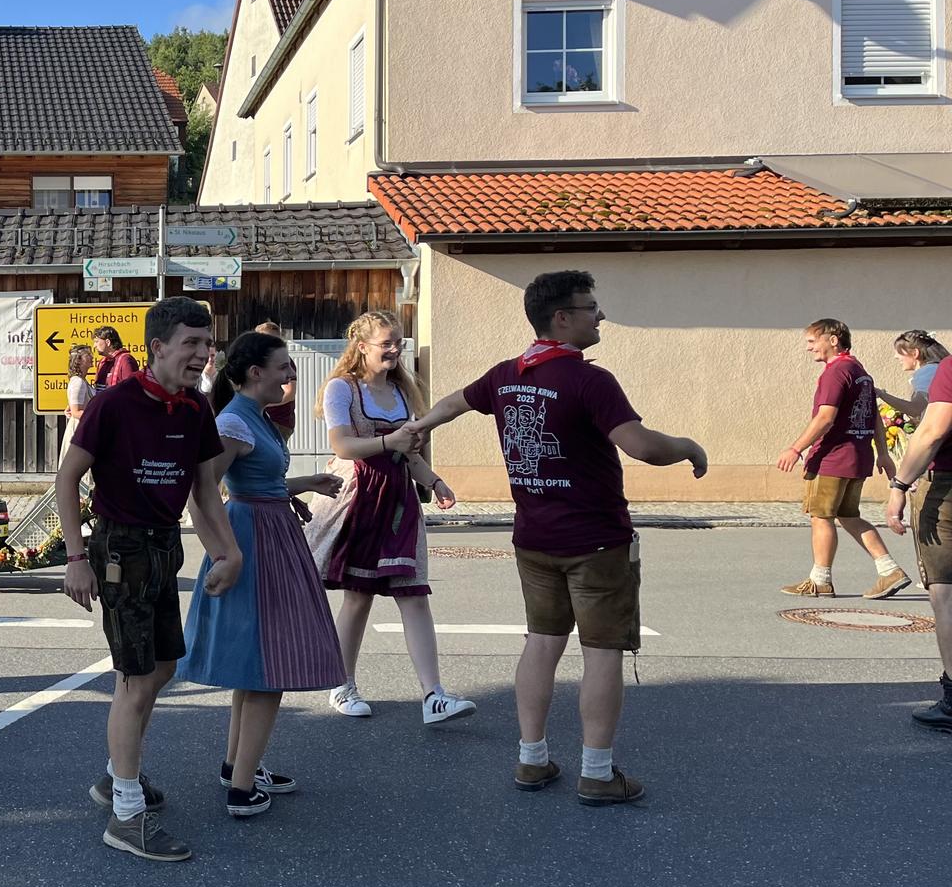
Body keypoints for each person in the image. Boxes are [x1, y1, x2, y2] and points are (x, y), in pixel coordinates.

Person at [402, 270, 708, 806]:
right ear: (562, 318)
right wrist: (686, 445)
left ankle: (532, 759)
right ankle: (597, 771)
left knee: (542, 643)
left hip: (534, 537)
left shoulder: (507, 374)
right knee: (602, 651)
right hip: (596, 540)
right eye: (591, 307)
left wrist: (419, 427)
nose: (601, 315)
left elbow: (454, 401)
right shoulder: (591, 380)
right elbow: (639, 446)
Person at [59, 296, 242, 863]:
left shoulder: (194, 410)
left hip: (164, 547)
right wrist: (75, 557)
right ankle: (126, 814)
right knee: (137, 677)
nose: (202, 354)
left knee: (161, 667)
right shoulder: (113, 403)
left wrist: (226, 553)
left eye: (206, 344)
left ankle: (118, 777)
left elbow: (204, 490)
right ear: (157, 347)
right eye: (191, 344)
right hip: (120, 547)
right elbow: (67, 479)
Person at [177, 330, 345, 819]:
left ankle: (238, 767)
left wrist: (302, 483)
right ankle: (242, 789)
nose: (291, 375)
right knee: (269, 663)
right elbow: (203, 486)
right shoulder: (234, 421)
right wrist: (224, 551)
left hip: (268, 532)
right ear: (256, 373)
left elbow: (256, 479)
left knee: (257, 661)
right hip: (253, 540)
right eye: (283, 366)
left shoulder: (252, 417)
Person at [309, 310, 473, 726]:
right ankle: (342, 685)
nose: (395, 350)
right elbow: (343, 446)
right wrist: (389, 440)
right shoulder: (341, 389)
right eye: (386, 343)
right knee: (359, 596)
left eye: (398, 342)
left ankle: (433, 695)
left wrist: (434, 482)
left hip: (398, 499)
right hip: (360, 497)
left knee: (414, 592)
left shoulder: (403, 391)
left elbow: (408, 452)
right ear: (361, 347)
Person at [777, 319, 903, 599]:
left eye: (812, 341)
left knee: (821, 517)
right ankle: (889, 570)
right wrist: (882, 453)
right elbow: (875, 418)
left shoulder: (835, 372)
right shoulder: (861, 372)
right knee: (848, 516)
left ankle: (820, 580)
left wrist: (796, 448)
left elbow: (825, 417)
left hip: (832, 458)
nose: (808, 348)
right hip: (858, 457)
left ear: (833, 340)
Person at [881, 356, 952, 732]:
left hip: (949, 489)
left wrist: (899, 486)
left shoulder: (950, 370)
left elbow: (933, 430)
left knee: (946, 592)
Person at [875, 330, 948, 421]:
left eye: (899, 352)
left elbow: (915, 409)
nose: (896, 356)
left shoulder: (927, 372)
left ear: (915, 353)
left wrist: (881, 394)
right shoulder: (935, 369)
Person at [253, 321, 296, 441]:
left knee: (273, 458)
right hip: (259, 419)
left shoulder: (286, 361)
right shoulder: (257, 361)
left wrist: (262, 404)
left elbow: (290, 393)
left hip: (278, 421)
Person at [63, 346, 95, 458]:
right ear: (79, 360)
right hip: (79, 431)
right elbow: (76, 412)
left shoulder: (83, 381)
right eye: (88, 355)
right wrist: (99, 416)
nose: (92, 357)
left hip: (85, 428)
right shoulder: (78, 382)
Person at [91, 326, 139, 393]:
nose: (94, 346)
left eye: (96, 342)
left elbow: (132, 391)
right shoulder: (102, 363)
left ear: (108, 342)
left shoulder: (125, 360)